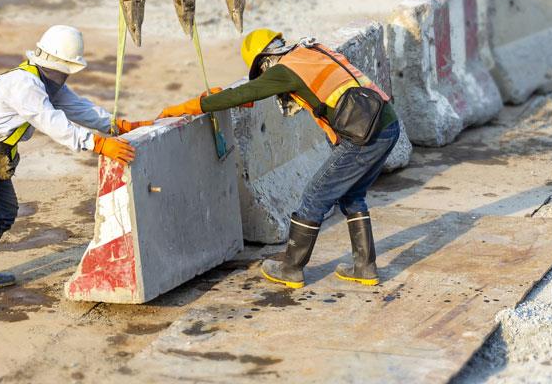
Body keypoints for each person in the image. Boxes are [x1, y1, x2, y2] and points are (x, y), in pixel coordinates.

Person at [156, 28, 401, 289]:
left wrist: (186, 108)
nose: (265, 77)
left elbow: (239, 95)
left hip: (364, 136)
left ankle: (291, 267)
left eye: (262, 71)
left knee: (314, 197)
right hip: (387, 124)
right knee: (352, 194)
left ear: (264, 60)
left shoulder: (283, 70)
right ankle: (364, 267)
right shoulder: (308, 51)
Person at [0, 25, 147, 319]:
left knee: (5, 211)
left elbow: (77, 108)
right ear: (60, 65)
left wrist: (115, 125)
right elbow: (53, 123)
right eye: (67, 69)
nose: (67, 76)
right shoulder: (26, 86)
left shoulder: (48, 82)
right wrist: (97, 144)